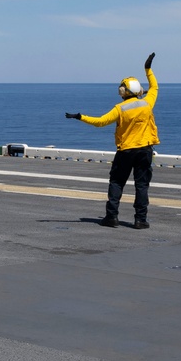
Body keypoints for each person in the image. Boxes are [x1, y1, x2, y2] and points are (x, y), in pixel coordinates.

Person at [65, 53, 158, 229]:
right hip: (145, 150)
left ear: (123, 91)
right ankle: (140, 220)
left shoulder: (120, 109)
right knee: (142, 185)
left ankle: (112, 217)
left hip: (126, 151)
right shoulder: (147, 103)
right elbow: (154, 87)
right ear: (138, 91)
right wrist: (148, 69)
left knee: (116, 182)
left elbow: (100, 122)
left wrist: (80, 116)